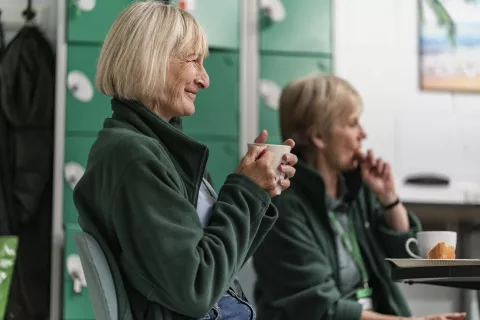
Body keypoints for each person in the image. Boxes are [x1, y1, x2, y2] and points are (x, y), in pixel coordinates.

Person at [72, 2, 297, 319]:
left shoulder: (156, 148)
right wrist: (245, 190)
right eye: (193, 61)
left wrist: (258, 192)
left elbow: (218, 268)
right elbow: (196, 289)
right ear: (148, 60)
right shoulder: (134, 155)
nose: (205, 80)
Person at [252, 74, 466, 320]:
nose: (362, 134)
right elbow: (322, 310)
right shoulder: (283, 207)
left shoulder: (356, 191)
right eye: (353, 123)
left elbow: (407, 261)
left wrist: (389, 199)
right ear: (319, 137)